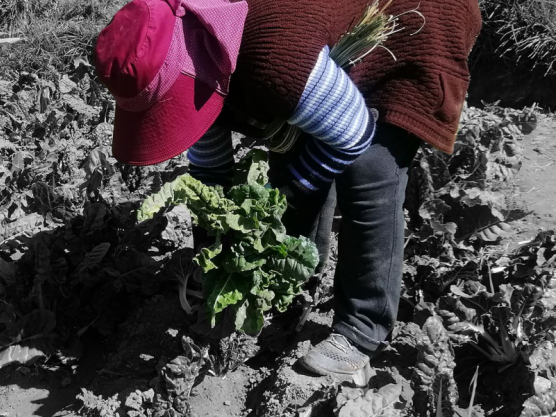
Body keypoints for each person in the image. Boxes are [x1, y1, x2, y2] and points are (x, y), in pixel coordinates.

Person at [92, 0, 482, 380]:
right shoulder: (192, 53)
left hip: (415, 18)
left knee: (369, 171)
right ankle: (294, 287)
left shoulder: (270, 61)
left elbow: (354, 134)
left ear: (192, 75)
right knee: (292, 150)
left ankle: (362, 330)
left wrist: (287, 196)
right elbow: (209, 171)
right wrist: (213, 259)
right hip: (306, 44)